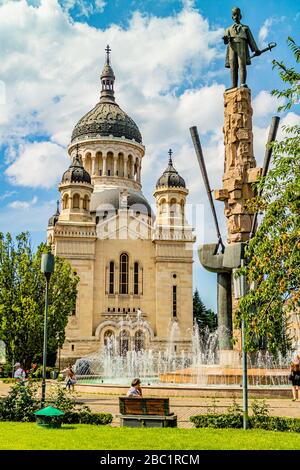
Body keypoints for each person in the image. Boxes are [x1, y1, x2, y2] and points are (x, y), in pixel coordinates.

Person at [223, 7, 261, 89]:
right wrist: (226, 39)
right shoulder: (228, 29)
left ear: (240, 16)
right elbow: (225, 41)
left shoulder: (245, 28)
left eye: (237, 15)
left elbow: (251, 40)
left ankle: (242, 83)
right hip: (232, 48)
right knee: (233, 66)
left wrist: (256, 50)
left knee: (242, 65)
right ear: (232, 17)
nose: (236, 16)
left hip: (242, 46)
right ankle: (233, 85)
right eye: (234, 15)